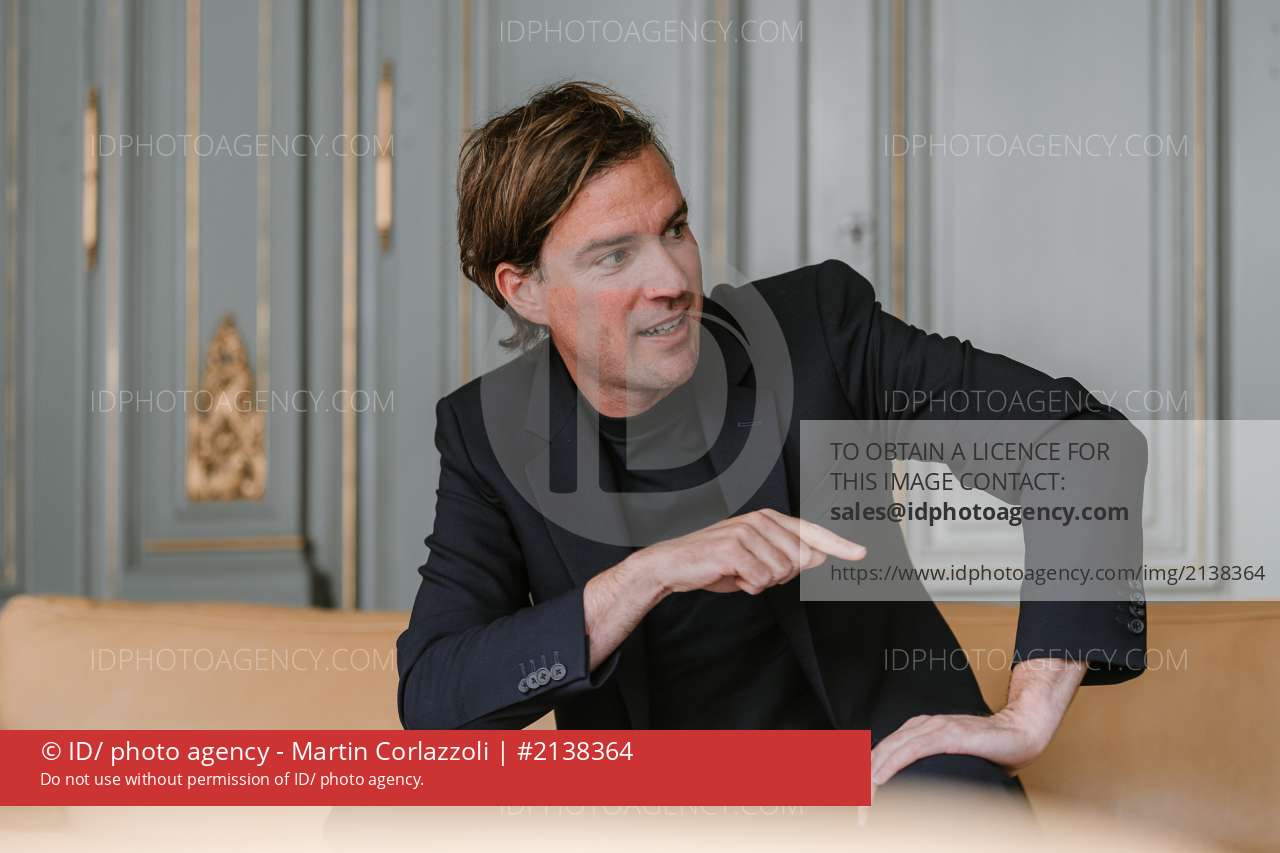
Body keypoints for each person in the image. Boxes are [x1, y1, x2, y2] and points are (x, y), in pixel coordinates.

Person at [396, 82, 1148, 798]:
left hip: (895, 793)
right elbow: (435, 700)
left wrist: (1028, 713)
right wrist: (646, 576)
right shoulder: (488, 433)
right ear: (525, 289)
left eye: (675, 229)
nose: (672, 279)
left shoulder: (814, 333)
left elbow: (1080, 444)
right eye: (615, 255)